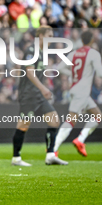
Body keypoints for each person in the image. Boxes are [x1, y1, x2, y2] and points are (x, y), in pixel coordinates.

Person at [12, 26, 68, 166]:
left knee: (54, 120)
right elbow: (29, 72)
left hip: (37, 94)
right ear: (41, 36)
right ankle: (16, 158)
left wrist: (43, 88)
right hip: (29, 94)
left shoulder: (43, 52)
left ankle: (50, 155)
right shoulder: (32, 50)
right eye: (49, 35)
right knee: (23, 125)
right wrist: (43, 88)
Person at [54, 30, 102, 156]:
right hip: (82, 91)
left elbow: (60, 68)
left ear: (82, 40)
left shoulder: (74, 53)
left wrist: (75, 75)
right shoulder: (93, 53)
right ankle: (53, 149)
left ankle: (80, 140)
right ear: (92, 40)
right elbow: (100, 73)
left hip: (76, 88)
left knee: (98, 116)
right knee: (71, 120)